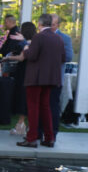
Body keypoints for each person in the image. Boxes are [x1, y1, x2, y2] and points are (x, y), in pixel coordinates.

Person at [17, 13, 66, 148]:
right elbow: (63, 57)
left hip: (36, 78)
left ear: (39, 24)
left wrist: (26, 49)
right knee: (46, 107)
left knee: (33, 107)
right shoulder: (58, 39)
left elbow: (32, 56)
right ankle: (50, 138)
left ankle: (31, 138)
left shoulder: (38, 37)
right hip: (51, 78)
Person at [50, 14, 73, 136]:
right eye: (49, 24)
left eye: (53, 25)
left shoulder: (65, 38)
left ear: (58, 25)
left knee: (53, 106)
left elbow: (69, 57)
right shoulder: (41, 36)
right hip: (42, 78)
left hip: (56, 77)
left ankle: (53, 132)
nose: (51, 27)